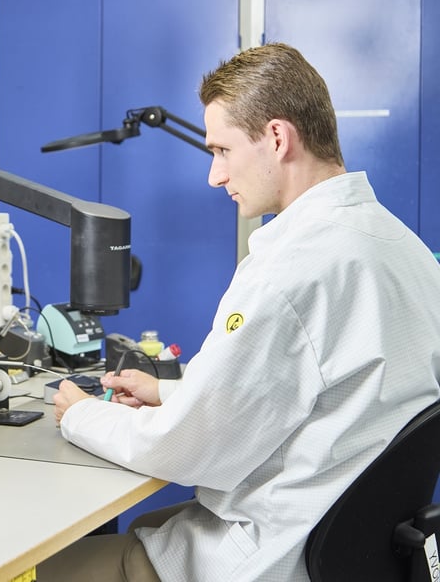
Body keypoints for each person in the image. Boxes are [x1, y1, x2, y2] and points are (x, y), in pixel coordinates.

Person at [38, 42, 440, 581]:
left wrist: (81, 412)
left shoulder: (291, 267)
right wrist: (172, 393)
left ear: (277, 137)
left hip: (275, 555)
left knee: (40, 569)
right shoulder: (403, 247)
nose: (215, 175)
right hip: (352, 549)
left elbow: (185, 449)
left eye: (222, 150)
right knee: (154, 524)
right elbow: (329, 391)